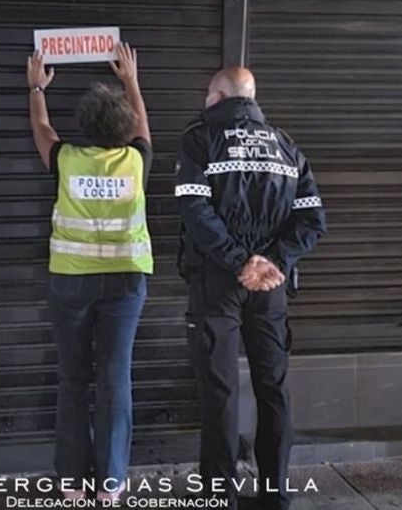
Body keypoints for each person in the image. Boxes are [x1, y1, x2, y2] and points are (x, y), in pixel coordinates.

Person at [175, 67, 326, 510]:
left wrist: (240, 261)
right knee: (273, 387)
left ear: (220, 95)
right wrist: (273, 261)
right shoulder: (286, 147)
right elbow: (314, 219)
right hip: (271, 285)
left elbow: (195, 212)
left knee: (220, 389)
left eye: (208, 93)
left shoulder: (199, 140)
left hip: (218, 282)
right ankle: (275, 491)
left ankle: (218, 495)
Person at [26, 43, 153, 502]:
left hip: (71, 282)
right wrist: (131, 80)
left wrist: (37, 86)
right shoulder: (137, 162)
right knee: (116, 378)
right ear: (124, 129)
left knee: (74, 379)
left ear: (84, 126)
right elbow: (143, 126)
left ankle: (72, 483)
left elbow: (42, 129)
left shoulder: (66, 161)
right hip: (125, 283)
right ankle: (112, 484)